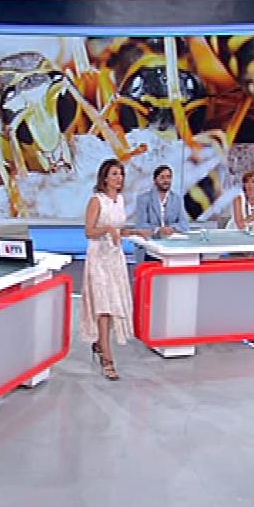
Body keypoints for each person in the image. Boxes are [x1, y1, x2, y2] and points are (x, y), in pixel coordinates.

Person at [81, 159, 150, 380]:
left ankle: (100, 344)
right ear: (104, 178)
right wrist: (107, 228)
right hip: (98, 258)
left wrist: (135, 232)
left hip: (115, 258)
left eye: (121, 174)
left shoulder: (119, 200)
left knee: (112, 304)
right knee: (103, 306)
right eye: (114, 174)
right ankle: (107, 357)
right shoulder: (96, 200)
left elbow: (119, 230)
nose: (119, 178)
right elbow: (89, 232)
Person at [134, 165, 190, 262]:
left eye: (168, 177)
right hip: (151, 248)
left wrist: (172, 228)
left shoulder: (177, 199)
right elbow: (141, 225)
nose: (166, 180)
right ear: (155, 180)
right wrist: (158, 230)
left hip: (173, 248)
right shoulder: (143, 199)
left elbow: (184, 224)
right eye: (162, 177)